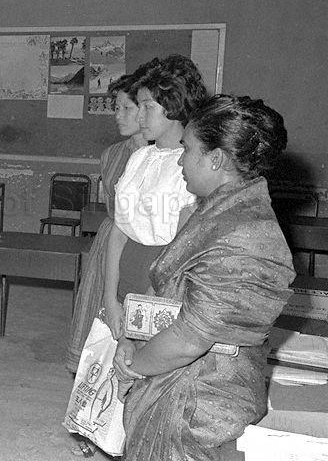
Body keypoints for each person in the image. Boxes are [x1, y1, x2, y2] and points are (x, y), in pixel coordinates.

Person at [113, 94, 296, 460]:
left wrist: (133, 365)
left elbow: (188, 339)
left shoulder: (241, 237)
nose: (181, 159)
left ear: (215, 159)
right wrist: (132, 338)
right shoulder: (219, 209)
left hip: (200, 403)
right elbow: (175, 290)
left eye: (188, 149)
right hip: (184, 379)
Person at [103, 54, 207, 338]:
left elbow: (178, 250)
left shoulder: (191, 165)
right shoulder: (140, 158)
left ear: (173, 107)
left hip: (160, 282)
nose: (139, 116)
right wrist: (109, 298)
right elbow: (118, 231)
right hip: (125, 272)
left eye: (147, 107)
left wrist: (146, 304)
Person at [65, 65, 153, 373]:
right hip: (111, 241)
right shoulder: (113, 154)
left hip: (145, 247)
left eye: (126, 108)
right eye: (116, 108)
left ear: (145, 111)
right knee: (101, 317)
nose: (118, 115)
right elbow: (114, 209)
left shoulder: (169, 156)